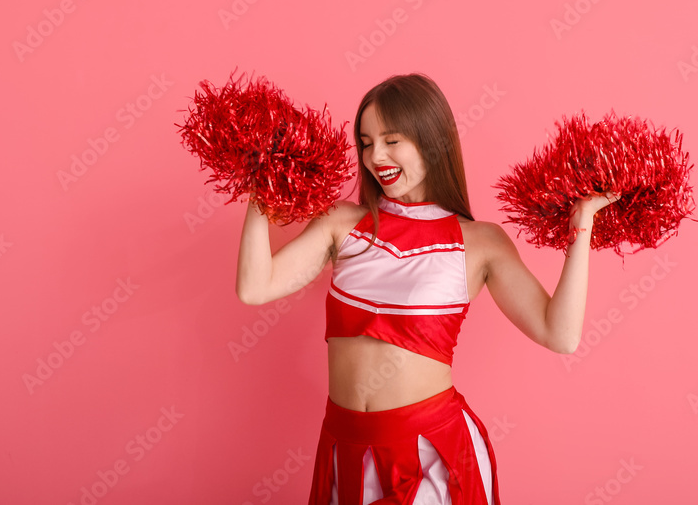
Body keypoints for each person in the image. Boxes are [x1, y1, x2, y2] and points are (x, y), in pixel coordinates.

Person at [235, 73, 619, 504]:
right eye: (365, 142)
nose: (375, 155)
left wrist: (582, 222)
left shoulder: (480, 241)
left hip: (433, 456)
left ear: (431, 139)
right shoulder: (340, 222)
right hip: (346, 450)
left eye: (391, 139)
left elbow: (560, 334)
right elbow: (255, 288)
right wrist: (258, 187)